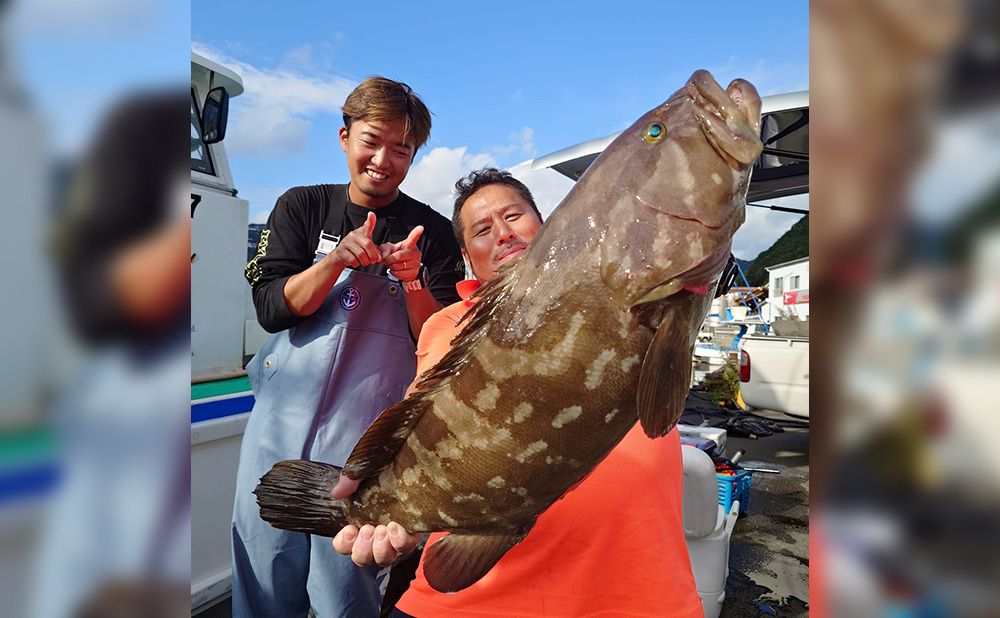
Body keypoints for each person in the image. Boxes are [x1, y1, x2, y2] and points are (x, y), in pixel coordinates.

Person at [332, 167, 704, 617]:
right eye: (483, 230)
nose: (504, 234)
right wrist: (400, 522)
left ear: (547, 226)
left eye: (514, 216)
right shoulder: (449, 325)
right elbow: (431, 439)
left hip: (641, 596)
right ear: (468, 257)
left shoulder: (619, 284)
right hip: (475, 603)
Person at [231, 76, 465, 617]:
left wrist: (411, 280)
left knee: (348, 589)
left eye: (401, 149)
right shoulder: (301, 207)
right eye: (371, 140)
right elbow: (272, 306)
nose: (383, 159)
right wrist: (334, 260)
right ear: (344, 137)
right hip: (276, 436)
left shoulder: (433, 231)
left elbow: (439, 340)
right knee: (263, 579)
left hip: (368, 448)